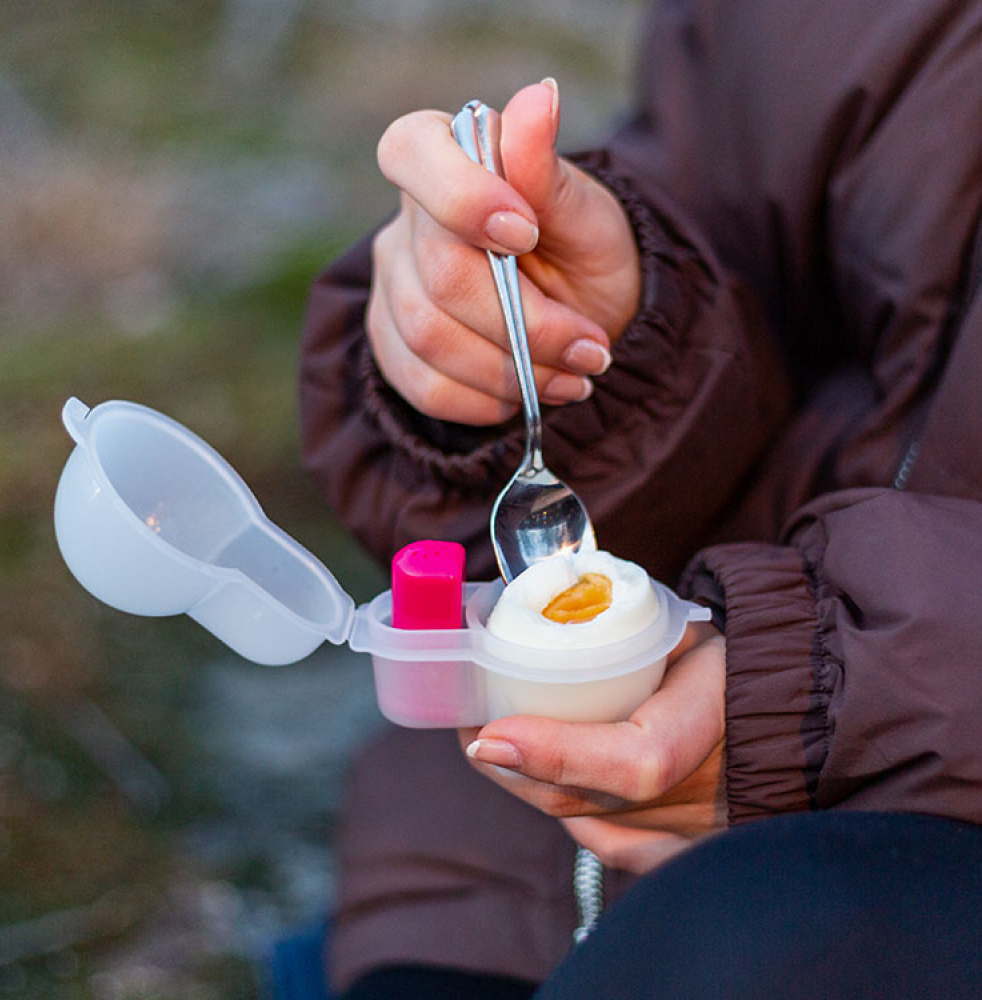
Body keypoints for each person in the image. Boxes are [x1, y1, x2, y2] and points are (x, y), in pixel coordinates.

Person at [297, 0, 982, 996]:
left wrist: (832, 696)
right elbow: (731, 217)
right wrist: (599, 333)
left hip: (849, 906)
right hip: (510, 859)